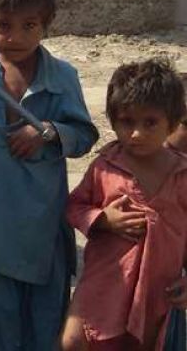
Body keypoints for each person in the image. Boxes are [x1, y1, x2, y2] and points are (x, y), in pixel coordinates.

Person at [0, 0, 98, 350]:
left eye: (29, 26)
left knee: (45, 328)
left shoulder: (62, 77)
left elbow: (85, 134)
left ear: (47, 23)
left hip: (43, 232)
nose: (15, 37)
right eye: (3, 25)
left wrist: (50, 132)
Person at [61, 59, 187, 350]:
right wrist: (103, 219)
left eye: (150, 123)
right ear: (113, 119)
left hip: (158, 288)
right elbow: (75, 206)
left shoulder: (181, 175)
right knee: (75, 341)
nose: (136, 134)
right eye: (127, 122)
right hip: (108, 280)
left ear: (173, 121)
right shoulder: (106, 167)